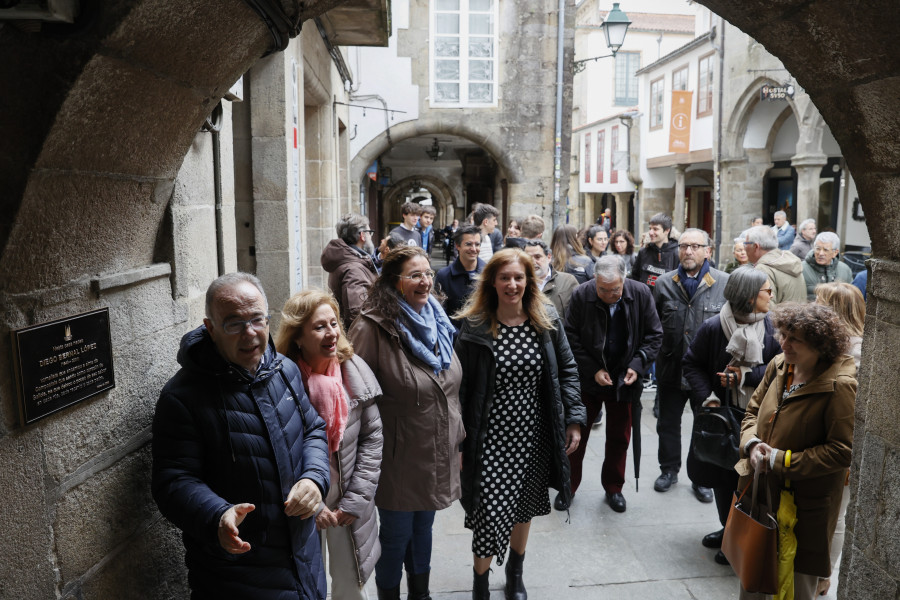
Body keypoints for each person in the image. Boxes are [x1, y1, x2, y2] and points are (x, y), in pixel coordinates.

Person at [152, 273, 330, 599]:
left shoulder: (285, 370)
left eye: (257, 320)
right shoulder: (183, 397)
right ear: (211, 328)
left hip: (304, 563)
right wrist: (217, 515)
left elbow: (313, 429)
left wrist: (315, 478)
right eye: (233, 323)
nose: (249, 333)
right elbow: (173, 480)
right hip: (237, 575)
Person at [454, 248, 585, 600]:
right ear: (492, 282)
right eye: (504, 278)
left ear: (529, 281)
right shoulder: (475, 324)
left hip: (534, 433)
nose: (512, 284)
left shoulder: (546, 318)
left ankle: (515, 571)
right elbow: (460, 388)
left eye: (519, 277)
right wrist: (459, 442)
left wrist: (574, 418)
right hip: (489, 436)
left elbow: (568, 371)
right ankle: (480, 584)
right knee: (487, 512)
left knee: (523, 506)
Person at [348, 247, 464, 600]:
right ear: (393, 283)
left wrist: (458, 439)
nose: (426, 281)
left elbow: (451, 387)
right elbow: (354, 397)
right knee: (397, 535)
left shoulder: (438, 320)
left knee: (423, 528)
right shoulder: (371, 328)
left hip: (436, 448)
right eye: (415, 275)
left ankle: (420, 594)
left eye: (428, 273)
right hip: (397, 456)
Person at [738, 302, 855, 600]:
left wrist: (779, 460)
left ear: (819, 344)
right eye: (783, 334)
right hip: (761, 496)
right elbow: (751, 413)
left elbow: (842, 451)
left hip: (805, 509)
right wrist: (752, 445)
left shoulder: (840, 386)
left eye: (795, 339)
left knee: (796, 587)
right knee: (752, 576)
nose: (784, 343)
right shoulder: (779, 365)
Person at [275, 290, 383, 600]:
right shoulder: (282, 381)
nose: (331, 333)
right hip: (304, 499)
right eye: (319, 327)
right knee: (309, 584)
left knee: (351, 584)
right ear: (298, 337)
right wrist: (314, 502)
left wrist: (355, 499)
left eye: (333, 323)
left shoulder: (354, 370)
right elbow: (281, 449)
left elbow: (372, 437)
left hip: (350, 495)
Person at [681, 267, 781, 566]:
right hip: (723, 417)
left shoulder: (775, 327)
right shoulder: (713, 327)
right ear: (750, 297)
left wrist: (745, 377)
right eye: (767, 291)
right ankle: (729, 531)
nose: (771, 296)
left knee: (753, 480)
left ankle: (747, 537)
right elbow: (692, 364)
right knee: (723, 477)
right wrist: (708, 400)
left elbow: (782, 367)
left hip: (762, 418)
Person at [563, 255, 662, 513]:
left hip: (624, 379)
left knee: (619, 437)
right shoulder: (582, 295)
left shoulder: (640, 293)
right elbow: (570, 337)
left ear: (624, 279)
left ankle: (614, 488)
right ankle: (568, 486)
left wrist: (637, 365)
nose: (609, 295)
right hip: (589, 378)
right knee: (576, 435)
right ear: (594, 280)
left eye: (615, 290)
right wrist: (593, 369)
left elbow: (654, 335)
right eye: (603, 290)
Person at [652, 229, 729, 503]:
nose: (688, 251)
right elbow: (654, 326)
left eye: (695, 246)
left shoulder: (724, 282)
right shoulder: (663, 283)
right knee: (668, 423)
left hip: (706, 374)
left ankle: (701, 478)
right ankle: (668, 470)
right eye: (684, 246)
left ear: (708, 251)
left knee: (704, 425)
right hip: (671, 367)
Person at [812, 281, 865, 595]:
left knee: (836, 513)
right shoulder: (825, 344)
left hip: (838, 443)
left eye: (819, 302)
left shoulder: (856, 352)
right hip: (817, 439)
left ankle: (823, 575)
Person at [321, 213, 379, 330]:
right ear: (362, 235)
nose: (370, 236)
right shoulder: (354, 270)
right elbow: (357, 315)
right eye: (369, 232)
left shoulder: (349, 260)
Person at [435, 225, 485, 329]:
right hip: (455, 338)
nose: (474, 249)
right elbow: (440, 313)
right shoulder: (444, 276)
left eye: (477, 244)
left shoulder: (488, 272)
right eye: (468, 244)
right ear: (458, 246)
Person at [743, 225, 806, 305]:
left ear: (756, 246)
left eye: (745, 243)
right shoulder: (791, 261)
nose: (744, 248)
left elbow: (767, 307)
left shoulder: (762, 269)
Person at [524, 239, 578, 318]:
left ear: (548, 257)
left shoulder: (568, 281)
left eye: (537, 257)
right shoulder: (519, 283)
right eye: (528, 258)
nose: (533, 262)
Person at [630, 212, 679, 288]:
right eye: (650, 228)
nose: (650, 232)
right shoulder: (643, 252)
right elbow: (635, 277)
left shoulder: (677, 253)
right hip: (645, 298)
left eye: (655, 229)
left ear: (667, 230)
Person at [801, 231, 853, 300]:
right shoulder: (801, 269)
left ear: (835, 252)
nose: (821, 253)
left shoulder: (845, 270)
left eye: (825, 250)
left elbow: (851, 297)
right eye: (818, 249)